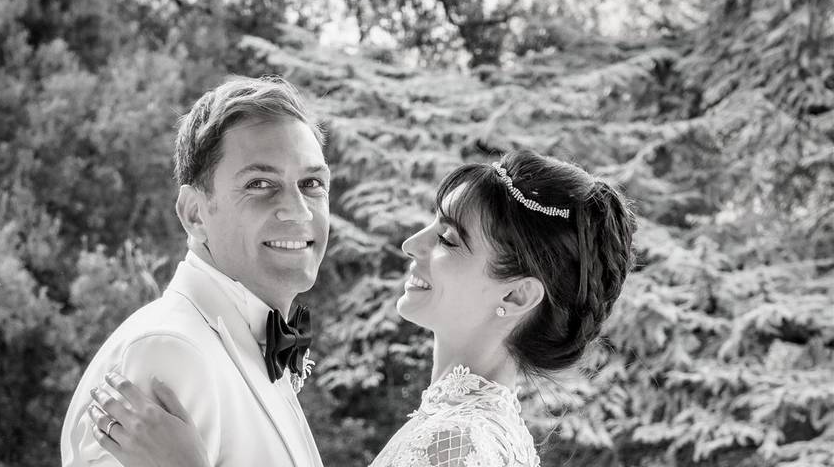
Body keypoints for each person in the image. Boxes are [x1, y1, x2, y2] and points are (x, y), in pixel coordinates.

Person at [87, 149, 637, 467]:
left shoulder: (460, 444)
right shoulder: (478, 434)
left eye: (448, 240)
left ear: (515, 296)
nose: (412, 244)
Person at [60, 75, 331, 467]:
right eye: (260, 183)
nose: (299, 209)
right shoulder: (171, 350)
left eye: (311, 183)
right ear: (194, 213)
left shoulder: (245, 341)